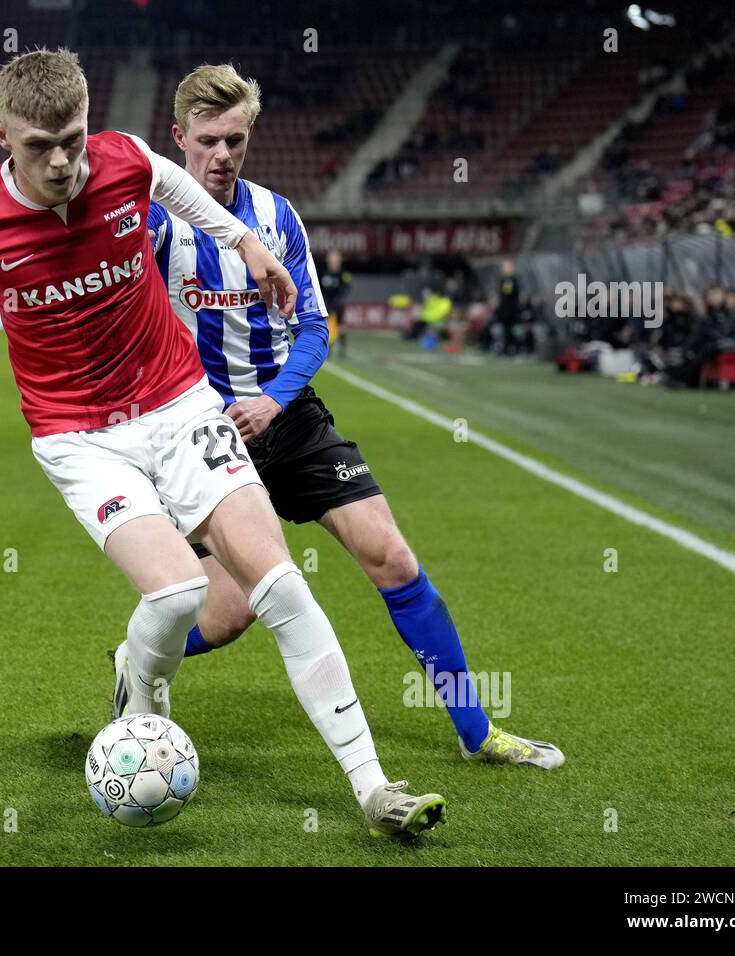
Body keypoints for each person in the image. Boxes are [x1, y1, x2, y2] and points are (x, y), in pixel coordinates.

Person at [0, 48, 445, 836]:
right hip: (77, 435)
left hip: (176, 402)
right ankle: (143, 680)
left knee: (281, 587)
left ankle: (373, 789)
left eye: (74, 139)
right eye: (39, 146)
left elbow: (187, 193)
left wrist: (251, 246)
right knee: (178, 594)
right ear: (2, 135)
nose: (63, 161)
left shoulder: (125, 160)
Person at [138, 63, 563, 770]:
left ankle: (478, 731)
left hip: (290, 417)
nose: (221, 156)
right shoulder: (156, 224)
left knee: (392, 556)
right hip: (202, 434)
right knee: (229, 613)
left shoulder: (277, 218)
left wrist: (274, 399)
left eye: (235, 141)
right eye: (208, 140)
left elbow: (313, 328)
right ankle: (136, 657)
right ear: (178, 138)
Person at [319, 249, 352, 356]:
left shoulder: (343, 273)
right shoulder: (324, 272)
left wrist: (340, 299)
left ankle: (342, 350)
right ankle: (328, 350)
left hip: (338, 303)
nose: (333, 261)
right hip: (327, 303)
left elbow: (347, 287)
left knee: (340, 326)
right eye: (331, 258)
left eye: (335, 259)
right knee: (327, 327)